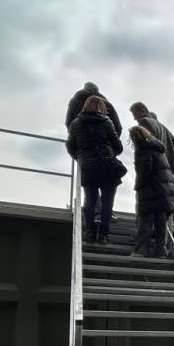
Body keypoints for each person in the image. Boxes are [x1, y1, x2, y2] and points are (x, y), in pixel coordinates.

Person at [66, 96, 124, 243]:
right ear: (101, 107)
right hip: (107, 165)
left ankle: (90, 232)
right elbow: (118, 147)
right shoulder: (107, 122)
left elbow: (70, 146)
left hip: (87, 166)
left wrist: (80, 156)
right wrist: (110, 152)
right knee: (107, 201)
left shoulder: (75, 123)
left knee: (90, 200)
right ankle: (103, 234)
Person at [129, 125, 174, 258]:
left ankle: (140, 251)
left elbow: (145, 171)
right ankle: (160, 251)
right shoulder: (158, 148)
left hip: (151, 190)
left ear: (135, 138)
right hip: (164, 190)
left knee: (145, 220)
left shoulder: (143, 149)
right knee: (160, 221)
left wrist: (138, 186)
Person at [129, 102, 174, 178]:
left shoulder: (144, 121)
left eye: (135, 114)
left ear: (143, 111)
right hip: (168, 171)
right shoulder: (162, 127)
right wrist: (171, 162)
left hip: (155, 170)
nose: (134, 118)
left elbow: (146, 149)